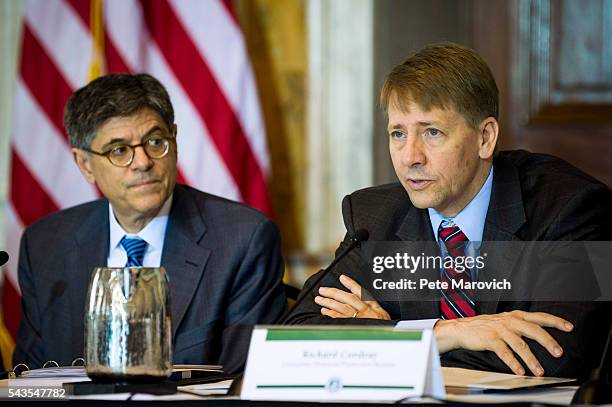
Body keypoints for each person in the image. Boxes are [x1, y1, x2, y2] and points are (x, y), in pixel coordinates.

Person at [285, 43, 612, 379]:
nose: (410, 156)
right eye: (398, 133)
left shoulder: (570, 206)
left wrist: (386, 338)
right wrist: (441, 334)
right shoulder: (373, 217)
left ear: (485, 138)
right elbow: (297, 336)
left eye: (432, 132)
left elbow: (558, 355)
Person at [12, 73, 287, 374]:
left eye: (155, 142)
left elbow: (241, 381)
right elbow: (29, 381)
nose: (143, 162)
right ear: (85, 165)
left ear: (175, 140)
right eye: (119, 150)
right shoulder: (44, 245)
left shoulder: (242, 240)